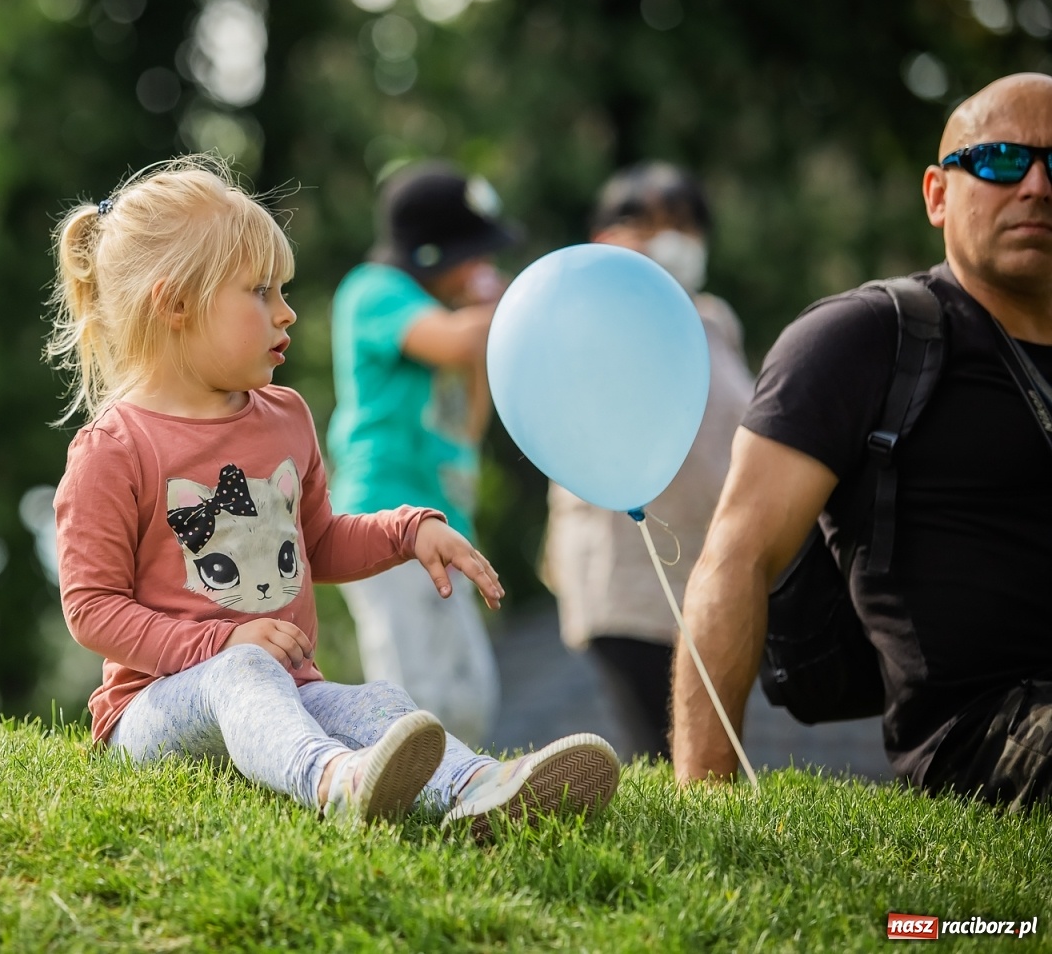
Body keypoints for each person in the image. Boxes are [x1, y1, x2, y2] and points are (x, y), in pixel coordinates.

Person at [48, 156, 619, 832]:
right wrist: (220, 649)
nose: (286, 312)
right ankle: (334, 782)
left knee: (373, 699)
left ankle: (483, 786)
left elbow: (318, 542)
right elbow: (92, 609)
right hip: (154, 712)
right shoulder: (116, 447)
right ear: (175, 304)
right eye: (259, 293)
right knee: (247, 673)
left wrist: (408, 531)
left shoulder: (283, 417)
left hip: (289, 687)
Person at [672, 74, 1052, 808]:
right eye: (1003, 160)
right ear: (938, 194)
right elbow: (737, 555)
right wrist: (704, 800)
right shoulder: (865, 338)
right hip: (978, 735)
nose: (1036, 185)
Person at [541, 164, 754, 761]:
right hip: (627, 574)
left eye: (684, 226)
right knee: (667, 747)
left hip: (710, 565)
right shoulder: (588, 317)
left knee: (715, 742)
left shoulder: (714, 320)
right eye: (649, 224)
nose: (672, 240)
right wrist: (610, 281)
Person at [327, 162, 511, 746]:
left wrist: (486, 328)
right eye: (473, 255)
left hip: (443, 517)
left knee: (471, 691)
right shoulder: (375, 291)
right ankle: (402, 798)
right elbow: (459, 339)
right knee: (418, 690)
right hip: (387, 514)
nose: (481, 269)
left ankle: (458, 791)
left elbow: (469, 426)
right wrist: (508, 307)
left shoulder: (459, 323)